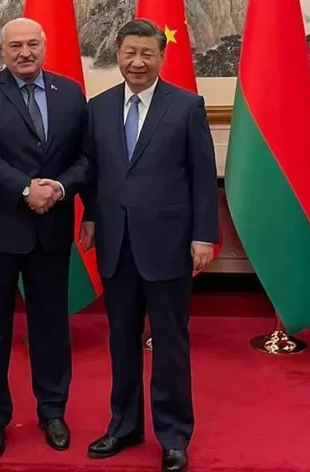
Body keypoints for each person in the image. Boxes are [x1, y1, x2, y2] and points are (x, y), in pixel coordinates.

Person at [51, 19, 219, 472]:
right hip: (115, 243)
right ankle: (123, 425)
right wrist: (89, 214)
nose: (138, 62)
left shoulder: (186, 106)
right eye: (130, 53)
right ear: (118, 55)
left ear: (161, 57)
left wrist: (204, 235)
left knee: (169, 344)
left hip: (169, 244)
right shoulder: (99, 107)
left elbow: (203, 177)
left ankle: (174, 435)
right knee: (121, 341)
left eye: (147, 53)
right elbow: (93, 169)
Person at [0, 17, 88, 461]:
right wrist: (27, 189)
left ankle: (53, 411)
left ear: (44, 47)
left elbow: (87, 156)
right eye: (15, 46)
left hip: (51, 228)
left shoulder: (70, 93)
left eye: (32, 44)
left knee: (51, 328)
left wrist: (59, 188)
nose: (24, 53)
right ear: (2, 50)